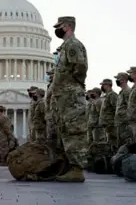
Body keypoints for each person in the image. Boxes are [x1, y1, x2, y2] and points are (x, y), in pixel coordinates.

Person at [50, 16, 88, 182]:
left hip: (71, 95)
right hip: (64, 96)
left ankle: (77, 169)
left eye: (59, 27)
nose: (56, 30)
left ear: (67, 27)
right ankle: (69, 166)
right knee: (66, 131)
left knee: (74, 131)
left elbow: (80, 67)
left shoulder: (73, 45)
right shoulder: (64, 47)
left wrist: (73, 85)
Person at [113, 72, 131, 148]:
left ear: (123, 79)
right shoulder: (122, 92)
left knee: (124, 144)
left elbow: (130, 107)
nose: (116, 80)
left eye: (117, 78)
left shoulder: (127, 91)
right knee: (120, 144)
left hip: (124, 122)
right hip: (120, 122)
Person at [99, 79, 118, 151]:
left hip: (111, 123)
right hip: (107, 124)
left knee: (115, 142)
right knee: (110, 142)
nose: (102, 87)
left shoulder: (112, 95)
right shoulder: (107, 96)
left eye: (103, 85)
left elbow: (116, 108)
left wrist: (113, 120)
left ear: (108, 85)